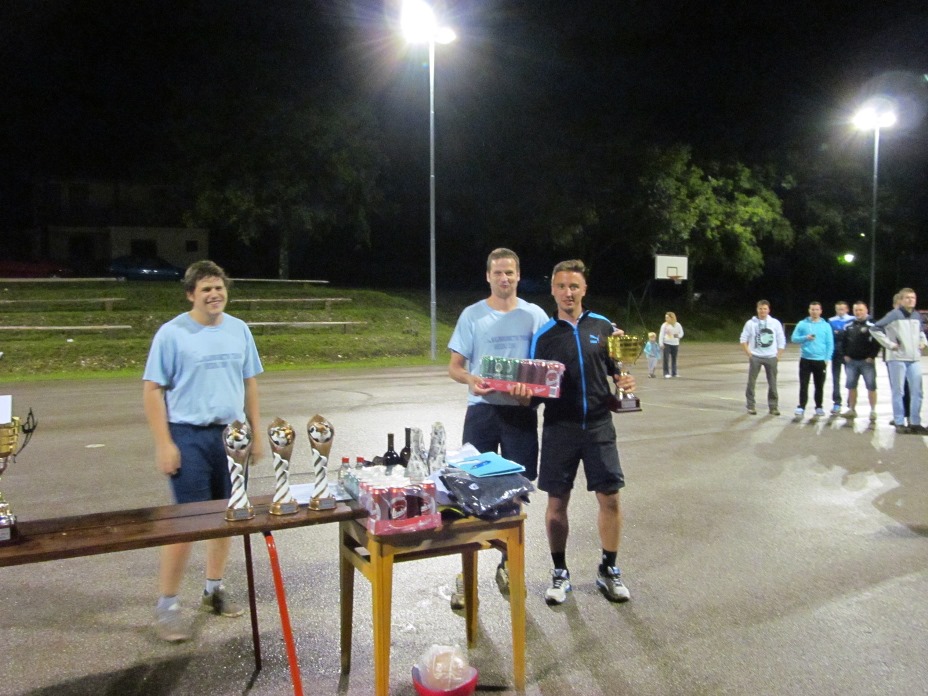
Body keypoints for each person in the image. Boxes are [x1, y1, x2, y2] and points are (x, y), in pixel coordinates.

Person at [143, 260, 264, 642]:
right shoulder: (172, 333)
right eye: (206, 289)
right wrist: (165, 443)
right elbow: (152, 390)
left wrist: (256, 433)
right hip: (188, 435)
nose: (214, 294)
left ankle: (214, 589)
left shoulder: (239, 329)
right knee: (188, 522)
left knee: (227, 516)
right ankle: (167, 605)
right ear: (190, 295)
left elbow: (250, 383)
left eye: (219, 288)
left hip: (232, 436)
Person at [529, 259, 635, 605]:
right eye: (561, 286)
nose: (568, 293)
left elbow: (617, 371)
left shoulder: (603, 326)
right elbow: (535, 391)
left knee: (611, 499)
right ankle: (560, 572)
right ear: (552, 290)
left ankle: (609, 569)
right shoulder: (543, 336)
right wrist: (525, 393)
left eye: (574, 286)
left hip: (599, 425)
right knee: (557, 503)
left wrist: (624, 382)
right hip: (560, 428)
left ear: (584, 289)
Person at [447, 247, 548, 607]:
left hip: (519, 414)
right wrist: (471, 380)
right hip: (483, 412)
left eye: (510, 272)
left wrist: (532, 390)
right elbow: (455, 367)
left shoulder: (535, 315)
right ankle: (466, 575)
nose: (504, 278)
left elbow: (546, 367)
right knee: (470, 492)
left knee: (516, 494)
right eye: (498, 273)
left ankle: (509, 565)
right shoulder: (472, 315)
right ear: (488, 276)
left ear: (518, 275)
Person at [870, 287, 927, 434]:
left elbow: (921, 332)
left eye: (913, 298)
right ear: (901, 300)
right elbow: (875, 329)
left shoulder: (916, 315)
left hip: (914, 358)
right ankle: (899, 422)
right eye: (907, 297)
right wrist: (890, 344)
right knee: (898, 391)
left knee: (917, 392)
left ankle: (915, 422)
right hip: (897, 359)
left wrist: (923, 342)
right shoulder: (894, 314)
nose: (910, 300)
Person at [739, 300, 786, 416]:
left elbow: (781, 339)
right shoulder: (750, 323)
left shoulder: (775, 323)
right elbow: (743, 339)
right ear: (757, 309)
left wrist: (778, 355)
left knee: (772, 383)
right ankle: (751, 406)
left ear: (768, 310)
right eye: (760, 308)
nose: (762, 311)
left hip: (771, 357)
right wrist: (749, 354)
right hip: (756, 357)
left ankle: (773, 407)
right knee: (751, 382)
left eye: (765, 309)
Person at [790, 301, 834, 418]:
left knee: (819, 385)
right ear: (809, 310)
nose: (814, 312)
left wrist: (827, 358)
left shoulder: (826, 326)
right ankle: (801, 406)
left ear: (821, 311)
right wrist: (805, 337)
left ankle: (819, 406)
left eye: (817, 309)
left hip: (820, 361)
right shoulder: (802, 324)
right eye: (812, 309)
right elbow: (794, 338)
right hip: (805, 359)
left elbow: (830, 343)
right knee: (803, 384)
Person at [840, 301, 881, 422]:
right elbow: (843, 342)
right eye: (856, 310)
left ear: (866, 310)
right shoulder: (848, 325)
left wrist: (872, 356)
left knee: (871, 387)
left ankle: (873, 411)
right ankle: (852, 409)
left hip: (866, 362)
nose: (858, 312)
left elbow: (877, 342)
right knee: (851, 386)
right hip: (851, 362)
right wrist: (845, 355)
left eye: (861, 310)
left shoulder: (872, 324)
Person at [828, 301, 854, 415]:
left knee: (851, 379)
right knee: (836, 379)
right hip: (836, 354)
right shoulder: (831, 320)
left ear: (847, 309)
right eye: (838, 309)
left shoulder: (852, 319)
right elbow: (830, 337)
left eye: (842, 309)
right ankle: (837, 403)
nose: (840, 311)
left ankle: (851, 403)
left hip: (849, 354)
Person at [658, 311, 684, 378]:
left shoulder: (678, 325)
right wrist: (661, 343)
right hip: (666, 343)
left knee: (674, 359)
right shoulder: (664, 325)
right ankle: (666, 373)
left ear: (672, 318)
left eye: (667, 317)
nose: (666, 319)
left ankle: (674, 373)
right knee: (666, 358)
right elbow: (661, 334)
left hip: (675, 344)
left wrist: (678, 336)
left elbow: (681, 333)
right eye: (665, 317)